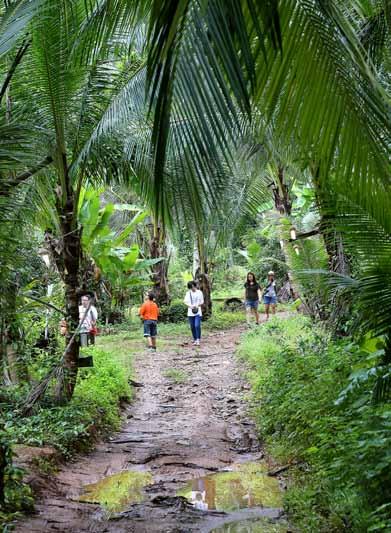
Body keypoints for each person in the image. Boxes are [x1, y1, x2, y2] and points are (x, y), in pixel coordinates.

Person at [184, 281, 204, 346]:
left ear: (195, 285)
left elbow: (202, 301)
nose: (192, 288)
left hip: (198, 311)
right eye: (191, 287)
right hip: (190, 312)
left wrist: (197, 305)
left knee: (197, 325)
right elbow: (185, 302)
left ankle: (198, 339)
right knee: (192, 326)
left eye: (193, 286)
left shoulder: (199, 292)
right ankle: (195, 339)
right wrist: (190, 306)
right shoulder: (188, 293)